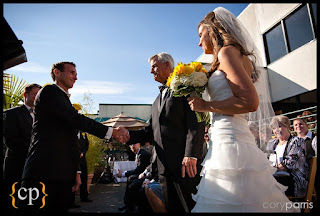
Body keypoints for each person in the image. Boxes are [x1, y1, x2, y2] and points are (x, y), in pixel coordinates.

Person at [187, 7, 299, 212]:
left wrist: (206, 105)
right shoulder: (227, 56)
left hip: (231, 140)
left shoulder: (227, 52)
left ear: (212, 30)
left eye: (200, 34)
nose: (199, 42)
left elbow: (249, 102)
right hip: (225, 136)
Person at [19, 61, 128, 215]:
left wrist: (76, 172)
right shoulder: (49, 91)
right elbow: (76, 119)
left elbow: (72, 140)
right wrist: (111, 132)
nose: (75, 77)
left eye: (76, 74)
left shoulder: (62, 98)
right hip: (43, 172)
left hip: (60, 174)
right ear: (57, 73)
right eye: (71, 72)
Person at [125, 52, 205, 212]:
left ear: (167, 65)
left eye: (154, 66)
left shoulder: (185, 88)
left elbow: (196, 122)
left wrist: (191, 154)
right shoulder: (156, 101)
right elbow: (149, 131)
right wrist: (125, 135)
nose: (151, 71)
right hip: (163, 169)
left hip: (184, 165)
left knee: (186, 207)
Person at [3, 83, 42, 215]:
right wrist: (34, 153)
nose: (38, 97)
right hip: (17, 165)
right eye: (35, 94)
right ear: (26, 95)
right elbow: (11, 141)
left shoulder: (43, 117)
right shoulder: (11, 114)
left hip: (36, 169)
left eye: (39, 95)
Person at [267, 116, 309, 197]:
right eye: (274, 128)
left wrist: (271, 168)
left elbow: (288, 164)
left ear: (288, 127)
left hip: (293, 181)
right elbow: (266, 160)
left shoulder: (297, 141)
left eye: (279, 126)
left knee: (266, 183)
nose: (276, 130)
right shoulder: (272, 143)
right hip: (275, 176)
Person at [115, 142, 151, 213]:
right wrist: (124, 173)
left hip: (148, 175)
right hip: (143, 174)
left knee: (133, 181)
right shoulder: (138, 154)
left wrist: (123, 174)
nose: (133, 146)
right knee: (131, 178)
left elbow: (139, 170)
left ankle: (130, 206)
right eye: (131, 145)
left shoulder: (143, 154)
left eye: (134, 144)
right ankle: (128, 204)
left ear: (139, 144)